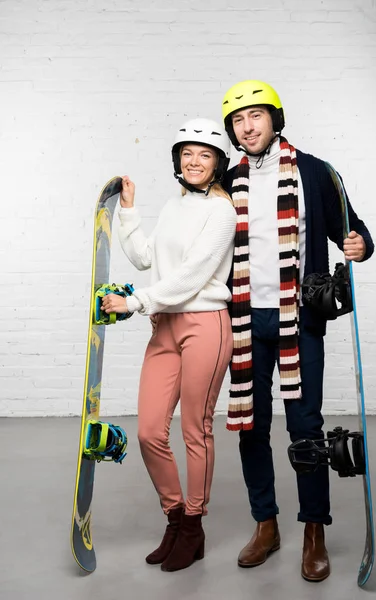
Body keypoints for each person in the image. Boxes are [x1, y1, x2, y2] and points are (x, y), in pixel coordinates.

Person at [220, 80, 374, 581]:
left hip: (298, 318)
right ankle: (266, 524)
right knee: (251, 425)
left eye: (256, 116)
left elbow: (352, 228)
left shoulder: (313, 170)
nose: (248, 126)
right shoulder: (227, 179)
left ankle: (314, 531)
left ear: (274, 119)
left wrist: (359, 244)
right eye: (239, 121)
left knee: (305, 428)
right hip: (243, 319)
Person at [101, 118, 237, 572]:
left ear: (218, 163)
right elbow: (144, 258)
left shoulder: (221, 211)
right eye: (187, 153)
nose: (194, 161)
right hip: (164, 327)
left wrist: (135, 302)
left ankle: (194, 526)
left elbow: (193, 276)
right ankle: (174, 517)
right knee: (148, 430)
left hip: (206, 326)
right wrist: (129, 210)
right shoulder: (174, 206)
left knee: (194, 430)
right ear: (178, 160)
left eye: (205, 154)